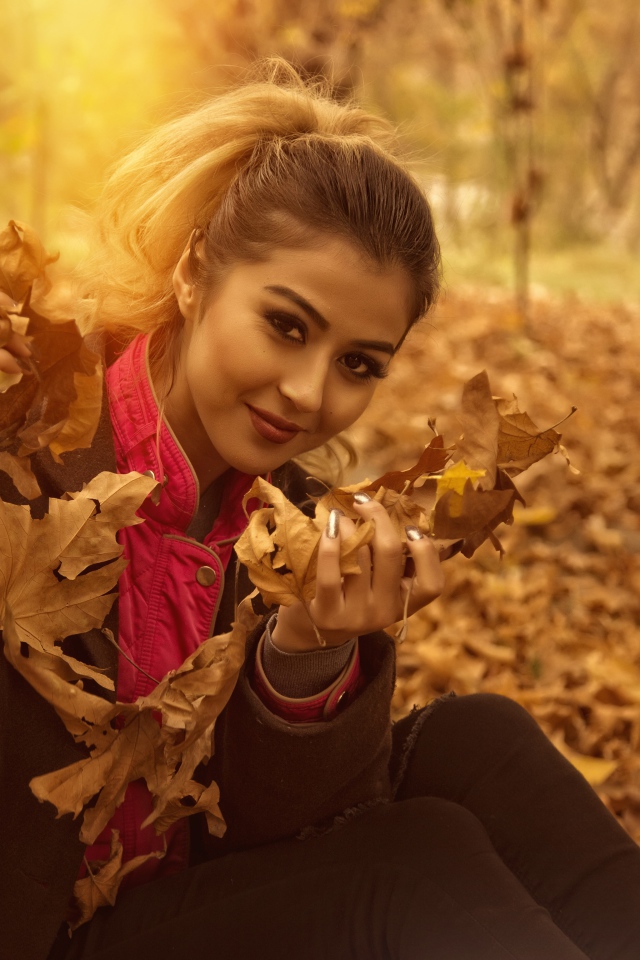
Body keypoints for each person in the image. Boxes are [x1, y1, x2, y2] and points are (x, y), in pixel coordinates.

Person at [0, 61, 639, 960]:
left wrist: (307, 653)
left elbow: (293, 838)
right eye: (287, 326)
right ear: (194, 276)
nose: (308, 393)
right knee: (410, 872)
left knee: (480, 740)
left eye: (360, 365)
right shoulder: (30, 452)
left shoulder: (285, 523)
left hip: (184, 896)